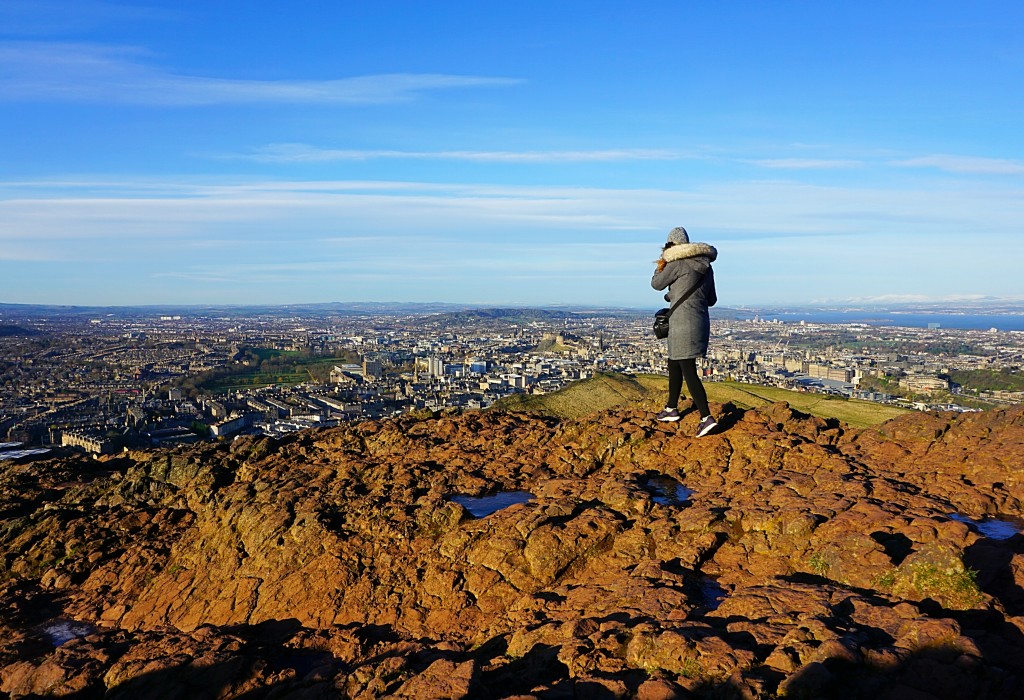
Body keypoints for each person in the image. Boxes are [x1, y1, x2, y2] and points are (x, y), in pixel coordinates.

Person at [651, 226, 719, 436]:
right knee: (675, 363)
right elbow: (711, 300)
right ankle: (671, 408)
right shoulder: (706, 266)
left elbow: (656, 284)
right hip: (699, 322)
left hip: (681, 323)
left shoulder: (676, 263)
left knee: (688, 369)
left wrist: (662, 262)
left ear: (671, 246)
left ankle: (706, 417)